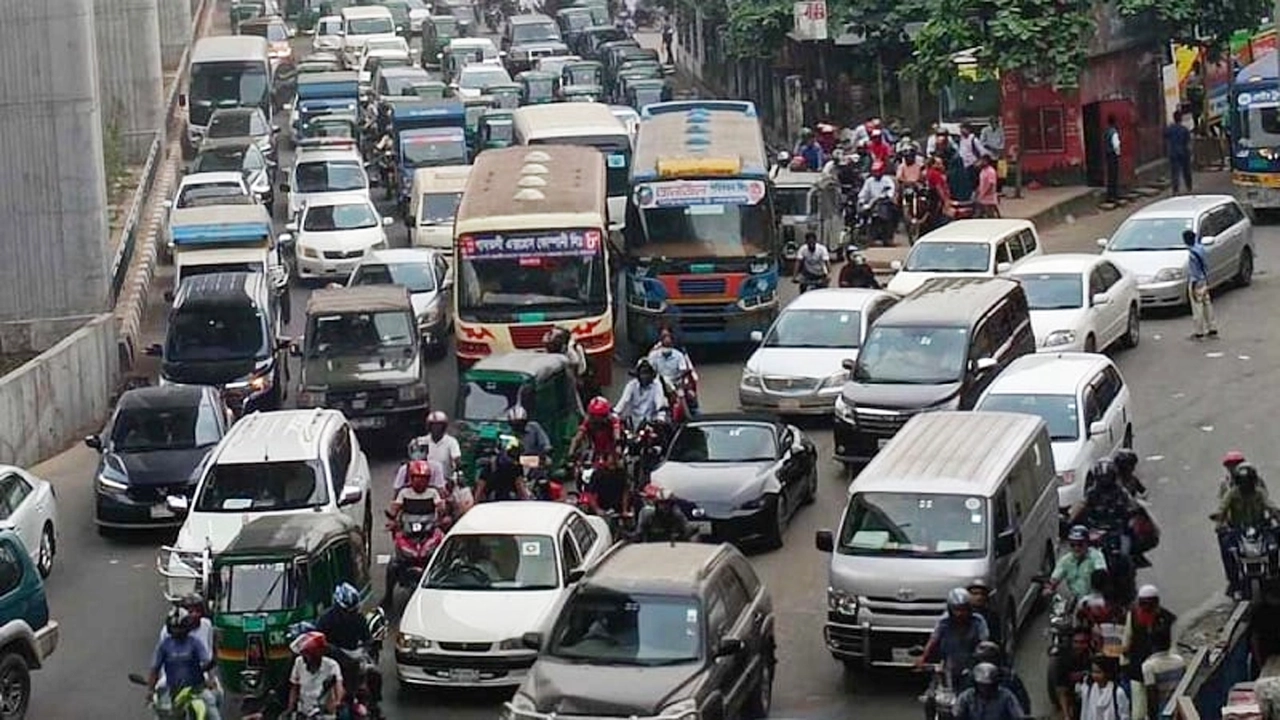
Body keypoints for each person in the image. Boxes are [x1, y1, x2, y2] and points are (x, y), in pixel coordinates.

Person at [1215, 462, 1280, 597]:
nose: (1245, 485)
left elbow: (1270, 505)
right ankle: (1234, 583)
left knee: (1273, 547)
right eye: (1242, 482)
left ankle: (1274, 573)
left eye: (1248, 481)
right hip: (1238, 530)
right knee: (1229, 549)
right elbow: (1222, 507)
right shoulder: (1232, 493)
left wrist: (1276, 515)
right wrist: (1219, 522)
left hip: (1260, 527)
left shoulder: (1259, 493)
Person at [317, 583, 381, 716]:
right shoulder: (325, 620)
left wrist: (368, 649)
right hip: (332, 657)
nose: (351, 614)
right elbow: (320, 641)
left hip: (354, 654)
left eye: (353, 610)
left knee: (375, 674)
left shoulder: (359, 618)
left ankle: (374, 705)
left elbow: (367, 638)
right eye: (347, 611)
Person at [148, 608, 221, 720]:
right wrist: (151, 690)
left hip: (197, 691)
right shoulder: (164, 645)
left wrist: (211, 665)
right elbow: (155, 669)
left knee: (213, 714)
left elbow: (206, 661)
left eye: (180, 627)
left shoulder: (195, 643)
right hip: (174, 693)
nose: (177, 631)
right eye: (174, 627)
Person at [915, 588, 990, 689]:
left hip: (972, 664)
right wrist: (923, 658)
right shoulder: (944, 622)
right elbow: (933, 640)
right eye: (956, 609)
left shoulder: (978, 622)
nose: (959, 613)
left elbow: (984, 643)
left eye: (963, 609)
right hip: (948, 665)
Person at [1122, 585, 1177, 704]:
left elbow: (1171, 642)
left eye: (1149, 603)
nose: (1146, 606)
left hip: (1157, 665)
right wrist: (1124, 661)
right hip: (1137, 665)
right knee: (1139, 705)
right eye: (1143, 603)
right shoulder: (1133, 615)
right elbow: (1127, 637)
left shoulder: (1165, 617)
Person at [287, 632, 344, 718]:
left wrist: (337, 702)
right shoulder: (299, 662)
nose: (304, 658)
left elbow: (338, 685)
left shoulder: (332, 665)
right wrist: (290, 707)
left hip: (324, 712)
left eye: (307, 655)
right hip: (304, 710)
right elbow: (294, 687)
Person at [1047, 525, 1110, 599]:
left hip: (1095, 598)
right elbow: (1054, 579)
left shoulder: (1096, 556)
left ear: (1087, 543)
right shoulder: (1065, 560)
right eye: (1072, 545)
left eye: (1080, 544)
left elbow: (1101, 573)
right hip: (1075, 599)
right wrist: (1049, 588)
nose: (1076, 548)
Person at [647, 329, 698, 414]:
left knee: (690, 396)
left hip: (676, 384)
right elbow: (650, 370)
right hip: (658, 385)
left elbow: (683, 371)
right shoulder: (653, 355)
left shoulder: (679, 355)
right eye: (664, 338)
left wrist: (681, 384)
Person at [953, 662, 1025, 720]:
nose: (985, 689)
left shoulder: (1006, 696)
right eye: (981, 685)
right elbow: (956, 714)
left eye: (989, 686)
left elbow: (1018, 715)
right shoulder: (967, 696)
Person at [1140, 628, 1186, 720]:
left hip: (1163, 711)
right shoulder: (1180, 661)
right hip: (1179, 709)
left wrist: (1152, 717)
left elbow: (1152, 695)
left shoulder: (1149, 666)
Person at [1052, 629, 1096, 720]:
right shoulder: (1063, 659)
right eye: (1076, 642)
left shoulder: (1092, 655)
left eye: (1083, 642)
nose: (1079, 646)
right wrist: (1067, 715)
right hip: (1071, 693)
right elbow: (1061, 690)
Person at [614, 358, 669, 429]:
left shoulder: (657, 385)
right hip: (633, 421)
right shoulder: (631, 385)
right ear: (638, 374)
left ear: (652, 374)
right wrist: (615, 413)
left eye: (647, 373)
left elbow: (659, 402)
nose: (645, 376)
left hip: (651, 423)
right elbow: (624, 401)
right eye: (642, 373)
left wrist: (661, 417)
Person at [474, 435, 530, 502]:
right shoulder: (515, 467)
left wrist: (476, 501)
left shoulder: (489, 464)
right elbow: (521, 488)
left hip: (492, 502)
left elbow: (480, 487)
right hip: (509, 501)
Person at [1184, 229, 1217, 340]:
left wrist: (1193, 284)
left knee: (1197, 306)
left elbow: (1194, 272)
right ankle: (1212, 328)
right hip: (1204, 280)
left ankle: (1199, 332)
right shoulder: (1201, 248)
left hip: (1196, 282)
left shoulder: (1192, 254)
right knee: (1207, 304)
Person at [966, 578, 1003, 649]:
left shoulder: (992, 616)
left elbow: (996, 640)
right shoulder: (961, 614)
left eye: (982, 594)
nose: (979, 597)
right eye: (975, 593)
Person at [1165, 110, 1193, 194]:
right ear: (1181, 119)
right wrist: (1191, 153)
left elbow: (1165, 136)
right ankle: (1189, 187)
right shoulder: (1184, 129)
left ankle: (1175, 190)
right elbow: (1188, 142)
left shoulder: (1170, 129)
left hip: (1173, 152)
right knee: (1186, 171)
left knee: (1175, 172)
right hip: (1184, 152)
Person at [1105, 115, 1122, 204]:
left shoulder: (1107, 131)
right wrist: (1118, 154)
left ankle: (1110, 195)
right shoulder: (1114, 132)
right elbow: (1116, 145)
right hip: (1113, 155)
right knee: (1114, 175)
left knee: (1110, 176)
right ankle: (1114, 195)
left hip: (1108, 155)